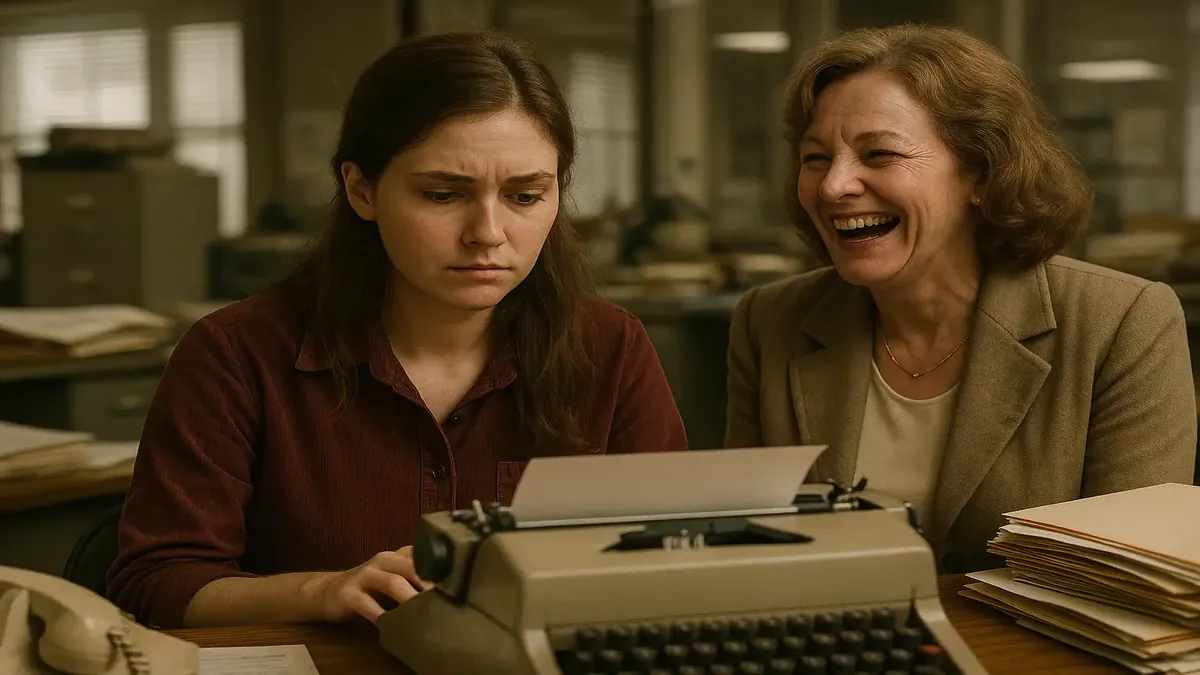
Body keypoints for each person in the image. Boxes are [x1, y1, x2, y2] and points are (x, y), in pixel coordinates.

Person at [107, 31, 688, 630]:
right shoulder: (236, 353)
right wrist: (318, 592)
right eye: (443, 194)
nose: (487, 232)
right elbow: (157, 581)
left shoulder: (609, 345)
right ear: (361, 190)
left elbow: (678, 554)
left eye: (524, 195)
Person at [725, 25, 1196, 574]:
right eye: (815, 158)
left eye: (879, 154)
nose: (834, 187)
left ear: (980, 174)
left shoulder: (1122, 322)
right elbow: (750, 547)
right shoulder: (769, 320)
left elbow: (1129, 578)